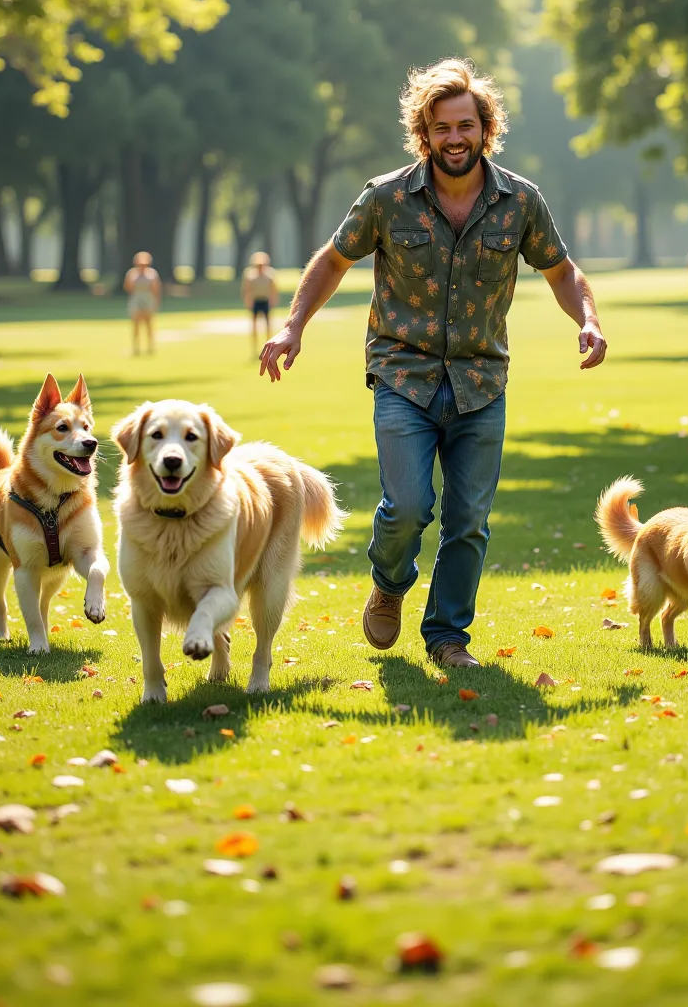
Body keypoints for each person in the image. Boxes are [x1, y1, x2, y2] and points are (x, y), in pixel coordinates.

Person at [259, 58, 607, 669]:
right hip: (402, 375)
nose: (455, 138)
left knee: (469, 521)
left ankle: (448, 638)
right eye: (442, 128)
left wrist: (588, 319)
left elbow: (561, 269)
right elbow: (334, 260)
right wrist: (292, 325)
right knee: (409, 506)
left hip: (481, 381)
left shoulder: (520, 201)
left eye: (466, 125)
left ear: (484, 128)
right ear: (425, 132)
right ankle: (389, 585)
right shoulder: (386, 197)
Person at [123, 250, 161, 355]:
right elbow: (128, 287)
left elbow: (156, 289)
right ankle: (136, 348)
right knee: (136, 324)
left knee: (149, 324)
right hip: (136, 298)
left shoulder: (152, 274)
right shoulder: (132, 273)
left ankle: (150, 347)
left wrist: (156, 301)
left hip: (148, 298)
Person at [242, 251, 278, 359]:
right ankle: (255, 349)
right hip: (256, 301)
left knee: (268, 326)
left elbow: (273, 289)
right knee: (254, 326)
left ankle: (269, 348)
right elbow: (247, 289)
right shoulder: (250, 275)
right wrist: (248, 300)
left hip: (265, 301)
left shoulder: (270, 274)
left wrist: (273, 299)